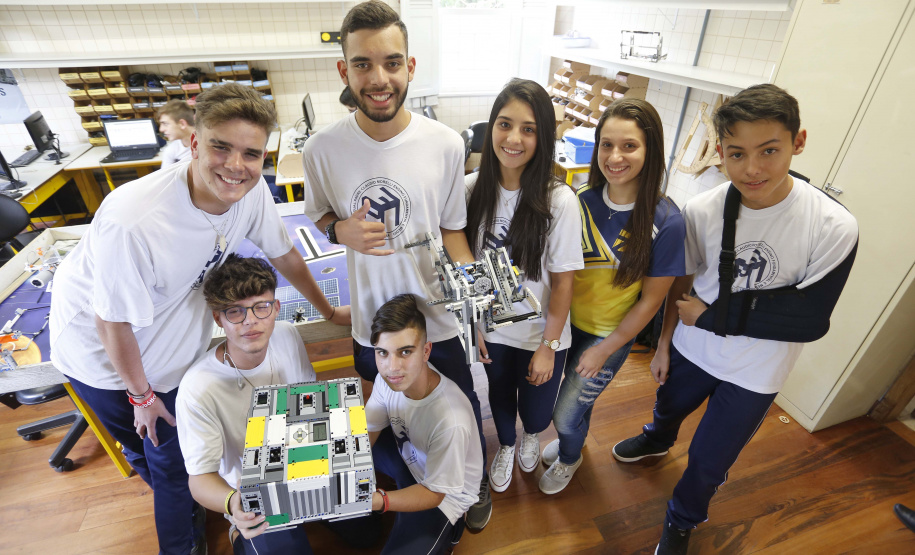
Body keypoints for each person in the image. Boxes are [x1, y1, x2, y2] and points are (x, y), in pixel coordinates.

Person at [49, 82, 347, 555]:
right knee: (169, 467)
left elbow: (284, 252)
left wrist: (329, 311)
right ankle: (185, 543)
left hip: (167, 340)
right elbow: (111, 323)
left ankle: (202, 503)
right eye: (220, 147)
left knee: (171, 458)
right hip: (107, 361)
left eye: (251, 154)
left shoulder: (248, 192)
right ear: (193, 143)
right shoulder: (136, 220)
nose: (236, 166)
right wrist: (142, 395)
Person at [610, 84, 858, 555]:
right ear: (720, 151)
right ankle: (658, 439)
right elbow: (681, 287)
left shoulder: (833, 225)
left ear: (798, 142)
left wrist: (711, 318)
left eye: (769, 150)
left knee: (709, 460)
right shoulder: (703, 209)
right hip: (690, 349)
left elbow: (808, 319)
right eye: (737, 153)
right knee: (668, 406)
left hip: (756, 371)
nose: (752, 169)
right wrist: (662, 345)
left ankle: (682, 519)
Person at [301, 0, 492, 530]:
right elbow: (318, 216)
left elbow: (452, 229)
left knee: (465, 408)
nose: (378, 77)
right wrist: (337, 229)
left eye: (391, 62)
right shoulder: (322, 150)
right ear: (344, 70)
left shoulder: (446, 143)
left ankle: (468, 487)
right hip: (372, 320)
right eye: (363, 64)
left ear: (410, 66)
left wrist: (475, 306)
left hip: (438, 316)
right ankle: (409, 479)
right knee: (387, 409)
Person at [538, 99, 686, 496]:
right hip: (565, 326)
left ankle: (571, 456)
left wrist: (607, 349)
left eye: (629, 146)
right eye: (606, 145)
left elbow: (651, 302)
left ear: (650, 150)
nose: (614, 157)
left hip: (609, 336)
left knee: (565, 416)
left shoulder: (666, 221)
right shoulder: (580, 198)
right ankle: (574, 443)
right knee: (561, 406)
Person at [464, 79, 583, 493]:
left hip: (540, 335)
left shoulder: (559, 201)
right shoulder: (471, 188)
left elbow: (564, 283)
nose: (513, 138)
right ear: (490, 128)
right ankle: (507, 445)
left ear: (543, 137)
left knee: (537, 411)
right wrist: (474, 321)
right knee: (498, 398)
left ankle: (530, 437)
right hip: (494, 331)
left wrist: (548, 346)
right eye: (504, 124)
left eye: (528, 129)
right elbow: (464, 263)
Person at [176, 254, 316, 554]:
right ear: (219, 319)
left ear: (276, 308)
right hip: (254, 489)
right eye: (235, 312)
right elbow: (199, 480)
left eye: (261, 307)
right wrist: (233, 504)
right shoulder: (198, 388)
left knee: (365, 534)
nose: (250, 320)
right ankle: (240, 535)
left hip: (304, 463)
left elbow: (309, 403)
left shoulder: (288, 335)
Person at [365, 294, 483, 554]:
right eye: (382, 353)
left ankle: (451, 532)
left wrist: (379, 501)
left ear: (426, 351)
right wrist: (346, 473)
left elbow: (434, 494)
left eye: (405, 352)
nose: (391, 368)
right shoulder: (387, 379)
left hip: (443, 496)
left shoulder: (451, 420)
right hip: (411, 458)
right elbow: (367, 433)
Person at [157, 99, 195, 168]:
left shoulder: (210, 144)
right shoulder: (171, 149)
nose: (161, 129)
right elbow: (166, 176)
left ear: (182, 124)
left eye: (165, 124)